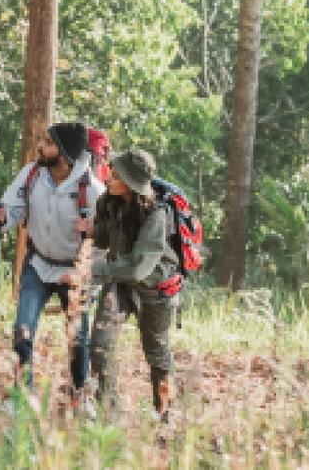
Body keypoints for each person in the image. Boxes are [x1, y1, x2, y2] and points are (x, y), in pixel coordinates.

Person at [0, 122, 104, 400]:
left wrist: (93, 230)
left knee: (77, 338)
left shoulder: (92, 188)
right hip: (38, 264)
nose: (40, 147)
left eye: (48, 143)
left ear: (64, 152)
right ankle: (21, 395)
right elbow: (14, 208)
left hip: (74, 270)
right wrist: (4, 217)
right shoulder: (31, 174)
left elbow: (108, 235)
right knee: (22, 329)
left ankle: (79, 396)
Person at [86, 149, 179, 421]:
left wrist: (94, 271)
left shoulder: (157, 215)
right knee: (100, 345)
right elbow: (106, 237)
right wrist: (91, 230)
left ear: (131, 183)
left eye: (117, 176)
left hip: (155, 289)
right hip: (119, 283)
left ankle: (165, 412)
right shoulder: (109, 201)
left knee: (157, 352)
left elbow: (139, 267)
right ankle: (108, 410)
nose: (109, 178)